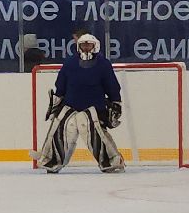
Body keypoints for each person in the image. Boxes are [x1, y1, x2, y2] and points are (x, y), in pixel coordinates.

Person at [36, 33, 125, 174]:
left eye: (89, 44)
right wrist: (56, 103)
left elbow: (112, 86)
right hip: (70, 105)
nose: (86, 47)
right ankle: (51, 160)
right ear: (78, 46)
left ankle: (112, 160)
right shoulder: (70, 63)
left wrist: (116, 103)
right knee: (61, 127)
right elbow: (61, 85)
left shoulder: (103, 64)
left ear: (95, 46)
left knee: (93, 130)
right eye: (83, 44)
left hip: (95, 108)